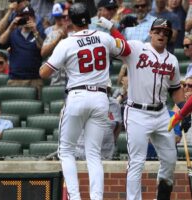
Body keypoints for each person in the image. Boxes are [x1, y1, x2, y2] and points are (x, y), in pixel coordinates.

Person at [39, 2, 131, 199]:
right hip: (100, 98)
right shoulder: (104, 37)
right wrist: (112, 27)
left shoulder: (67, 43)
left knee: (65, 151)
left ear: (70, 21)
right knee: (93, 155)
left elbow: (44, 72)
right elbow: (125, 49)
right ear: (88, 19)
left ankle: (75, 197)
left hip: (77, 95)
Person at [120, 18, 190, 200]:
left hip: (160, 113)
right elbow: (117, 46)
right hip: (136, 111)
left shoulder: (172, 60)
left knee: (170, 158)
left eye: (165, 32)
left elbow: (175, 89)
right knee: (136, 162)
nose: (161, 35)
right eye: (157, 31)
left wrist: (184, 111)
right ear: (150, 33)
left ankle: (162, 197)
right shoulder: (136, 48)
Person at [0, 5, 44, 97]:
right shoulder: (13, 33)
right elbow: (0, 44)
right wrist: (10, 27)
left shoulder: (39, 32)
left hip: (34, 80)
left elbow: (42, 49)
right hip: (15, 79)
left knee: (35, 108)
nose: (26, 19)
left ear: (34, 18)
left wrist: (35, 31)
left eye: (29, 16)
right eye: (23, 16)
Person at [75, 85, 122, 160]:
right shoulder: (83, 101)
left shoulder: (114, 104)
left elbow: (118, 126)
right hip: (83, 152)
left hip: (106, 153)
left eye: (107, 88)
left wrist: (111, 141)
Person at [41, 2, 68, 86]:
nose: (60, 20)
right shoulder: (51, 33)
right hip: (56, 78)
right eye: (57, 17)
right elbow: (43, 53)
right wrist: (58, 38)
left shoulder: (77, 32)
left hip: (72, 78)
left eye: (62, 17)